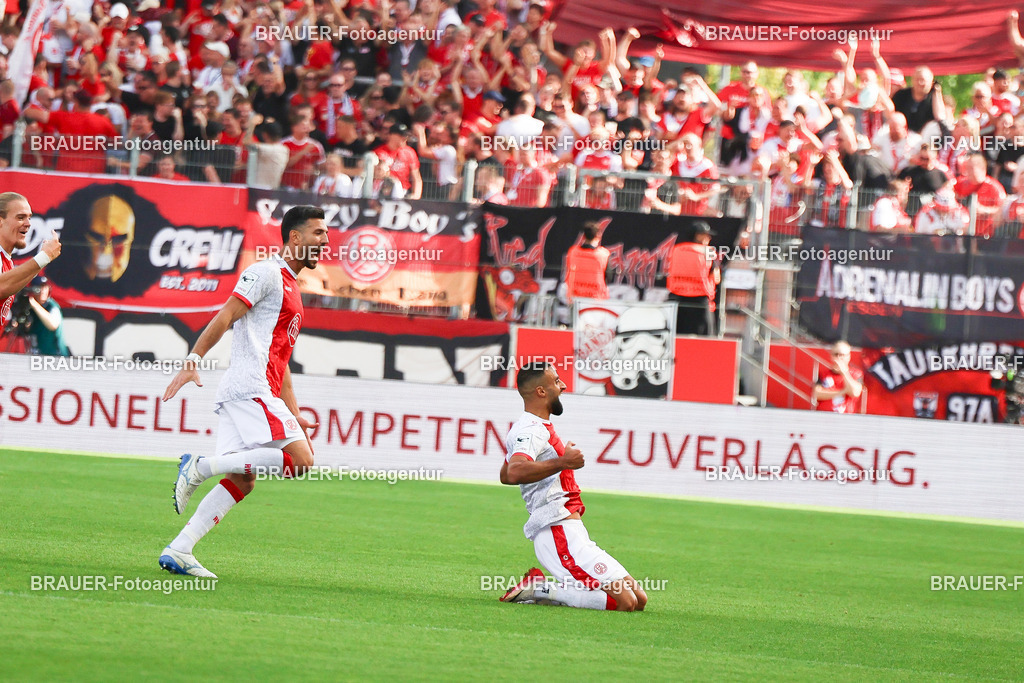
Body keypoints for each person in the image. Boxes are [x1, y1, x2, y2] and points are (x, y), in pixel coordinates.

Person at [159, 205, 328, 578]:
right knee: (301, 461)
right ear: (295, 237)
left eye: (326, 234)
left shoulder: (292, 288)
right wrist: (193, 359)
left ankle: (180, 549)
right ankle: (200, 466)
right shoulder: (266, 272)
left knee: (243, 479)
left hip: (253, 390)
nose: (325, 241)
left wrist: (294, 413)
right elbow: (226, 314)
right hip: (250, 387)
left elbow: (281, 360)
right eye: (318, 233)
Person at [498, 363, 648, 612]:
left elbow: (505, 474)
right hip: (556, 531)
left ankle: (550, 591)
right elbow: (514, 472)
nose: (564, 385)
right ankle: (541, 588)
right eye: (557, 381)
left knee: (639, 599)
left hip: (571, 532)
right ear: (541, 392)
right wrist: (563, 462)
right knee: (625, 602)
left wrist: (558, 463)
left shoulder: (531, 427)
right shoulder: (531, 429)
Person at [0, 193, 62, 332]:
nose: (28, 224)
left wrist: (44, 259)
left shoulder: (7, 262)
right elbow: (1, 287)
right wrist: (44, 257)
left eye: (29, 217)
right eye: (20, 217)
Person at [665, 221, 719, 336]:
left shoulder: (675, 249)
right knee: (705, 338)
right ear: (698, 235)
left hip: (677, 298)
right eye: (706, 235)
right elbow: (716, 277)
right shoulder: (709, 251)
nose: (709, 238)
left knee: (675, 336)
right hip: (700, 300)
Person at [564, 221, 609, 304]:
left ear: (584, 235)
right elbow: (608, 276)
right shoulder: (603, 254)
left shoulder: (573, 252)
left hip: (574, 298)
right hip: (596, 299)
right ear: (598, 235)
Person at [812, 341, 864, 414]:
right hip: (824, 415)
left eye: (842, 355)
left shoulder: (857, 374)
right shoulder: (823, 374)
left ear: (848, 356)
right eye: (836, 354)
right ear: (831, 356)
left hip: (846, 416)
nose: (839, 358)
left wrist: (844, 372)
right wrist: (843, 392)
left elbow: (855, 392)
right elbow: (817, 394)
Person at [26, 276, 69, 356]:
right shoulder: (29, 309)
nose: (42, 290)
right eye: (39, 287)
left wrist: (34, 305)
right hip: (38, 356)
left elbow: (53, 324)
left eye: (45, 287)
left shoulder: (52, 306)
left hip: (56, 356)